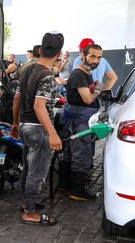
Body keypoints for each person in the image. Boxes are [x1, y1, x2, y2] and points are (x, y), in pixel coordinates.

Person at [11, 32, 64, 226]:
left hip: (25, 126)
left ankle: (28, 203)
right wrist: (53, 133)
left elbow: (17, 99)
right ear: (59, 53)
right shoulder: (47, 76)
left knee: (28, 169)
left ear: (40, 50)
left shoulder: (26, 70)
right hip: (38, 129)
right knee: (37, 172)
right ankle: (30, 212)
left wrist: (16, 123)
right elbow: (39, 106)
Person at [59, 44, 104, 201]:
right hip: (80, 119)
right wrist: (98, 89)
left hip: (77, 117)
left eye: (99, 57)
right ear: (83, 55)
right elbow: (87, 99)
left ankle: (64, 185)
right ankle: (77, 191)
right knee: (82, 153)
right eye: (92, 56)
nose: (96, 60)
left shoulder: (85, 73)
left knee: (70, 152)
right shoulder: (79, 75)